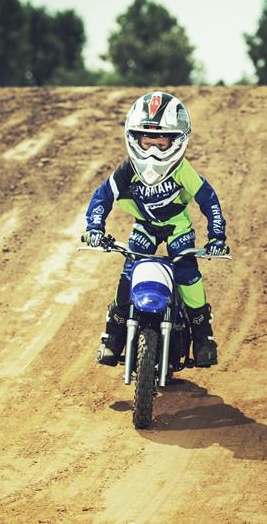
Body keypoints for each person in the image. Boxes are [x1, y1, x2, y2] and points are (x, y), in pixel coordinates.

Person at [83, 91, 229, 369]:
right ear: (134, 138)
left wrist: (217, 236)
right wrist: (94, 228)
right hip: (145, 226)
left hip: (177, 227)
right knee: (129, 274)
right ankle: (113, 337)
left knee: (187, 273)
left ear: (177, 140)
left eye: (161, 143)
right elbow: (102, 197)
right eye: (147, 142)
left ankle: (203, 337)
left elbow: (208, 199)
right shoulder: (127, 169)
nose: (152, 150)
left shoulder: (182, 169)